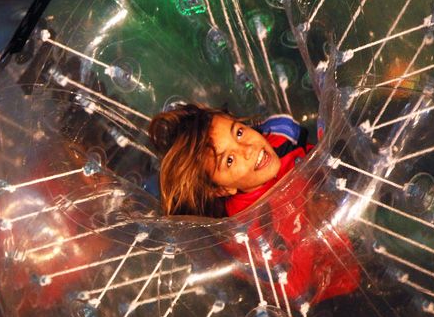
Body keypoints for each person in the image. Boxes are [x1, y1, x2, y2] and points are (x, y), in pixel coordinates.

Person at [148, 103, 358, 303]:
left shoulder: (282, 137)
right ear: (221, 189)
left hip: (353, 231)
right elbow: (292, 289)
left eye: (238, 133)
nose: (248, 148)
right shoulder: (246, 232)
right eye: (229, 160)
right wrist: (311, 223)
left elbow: (323, 161)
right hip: (334, 290)